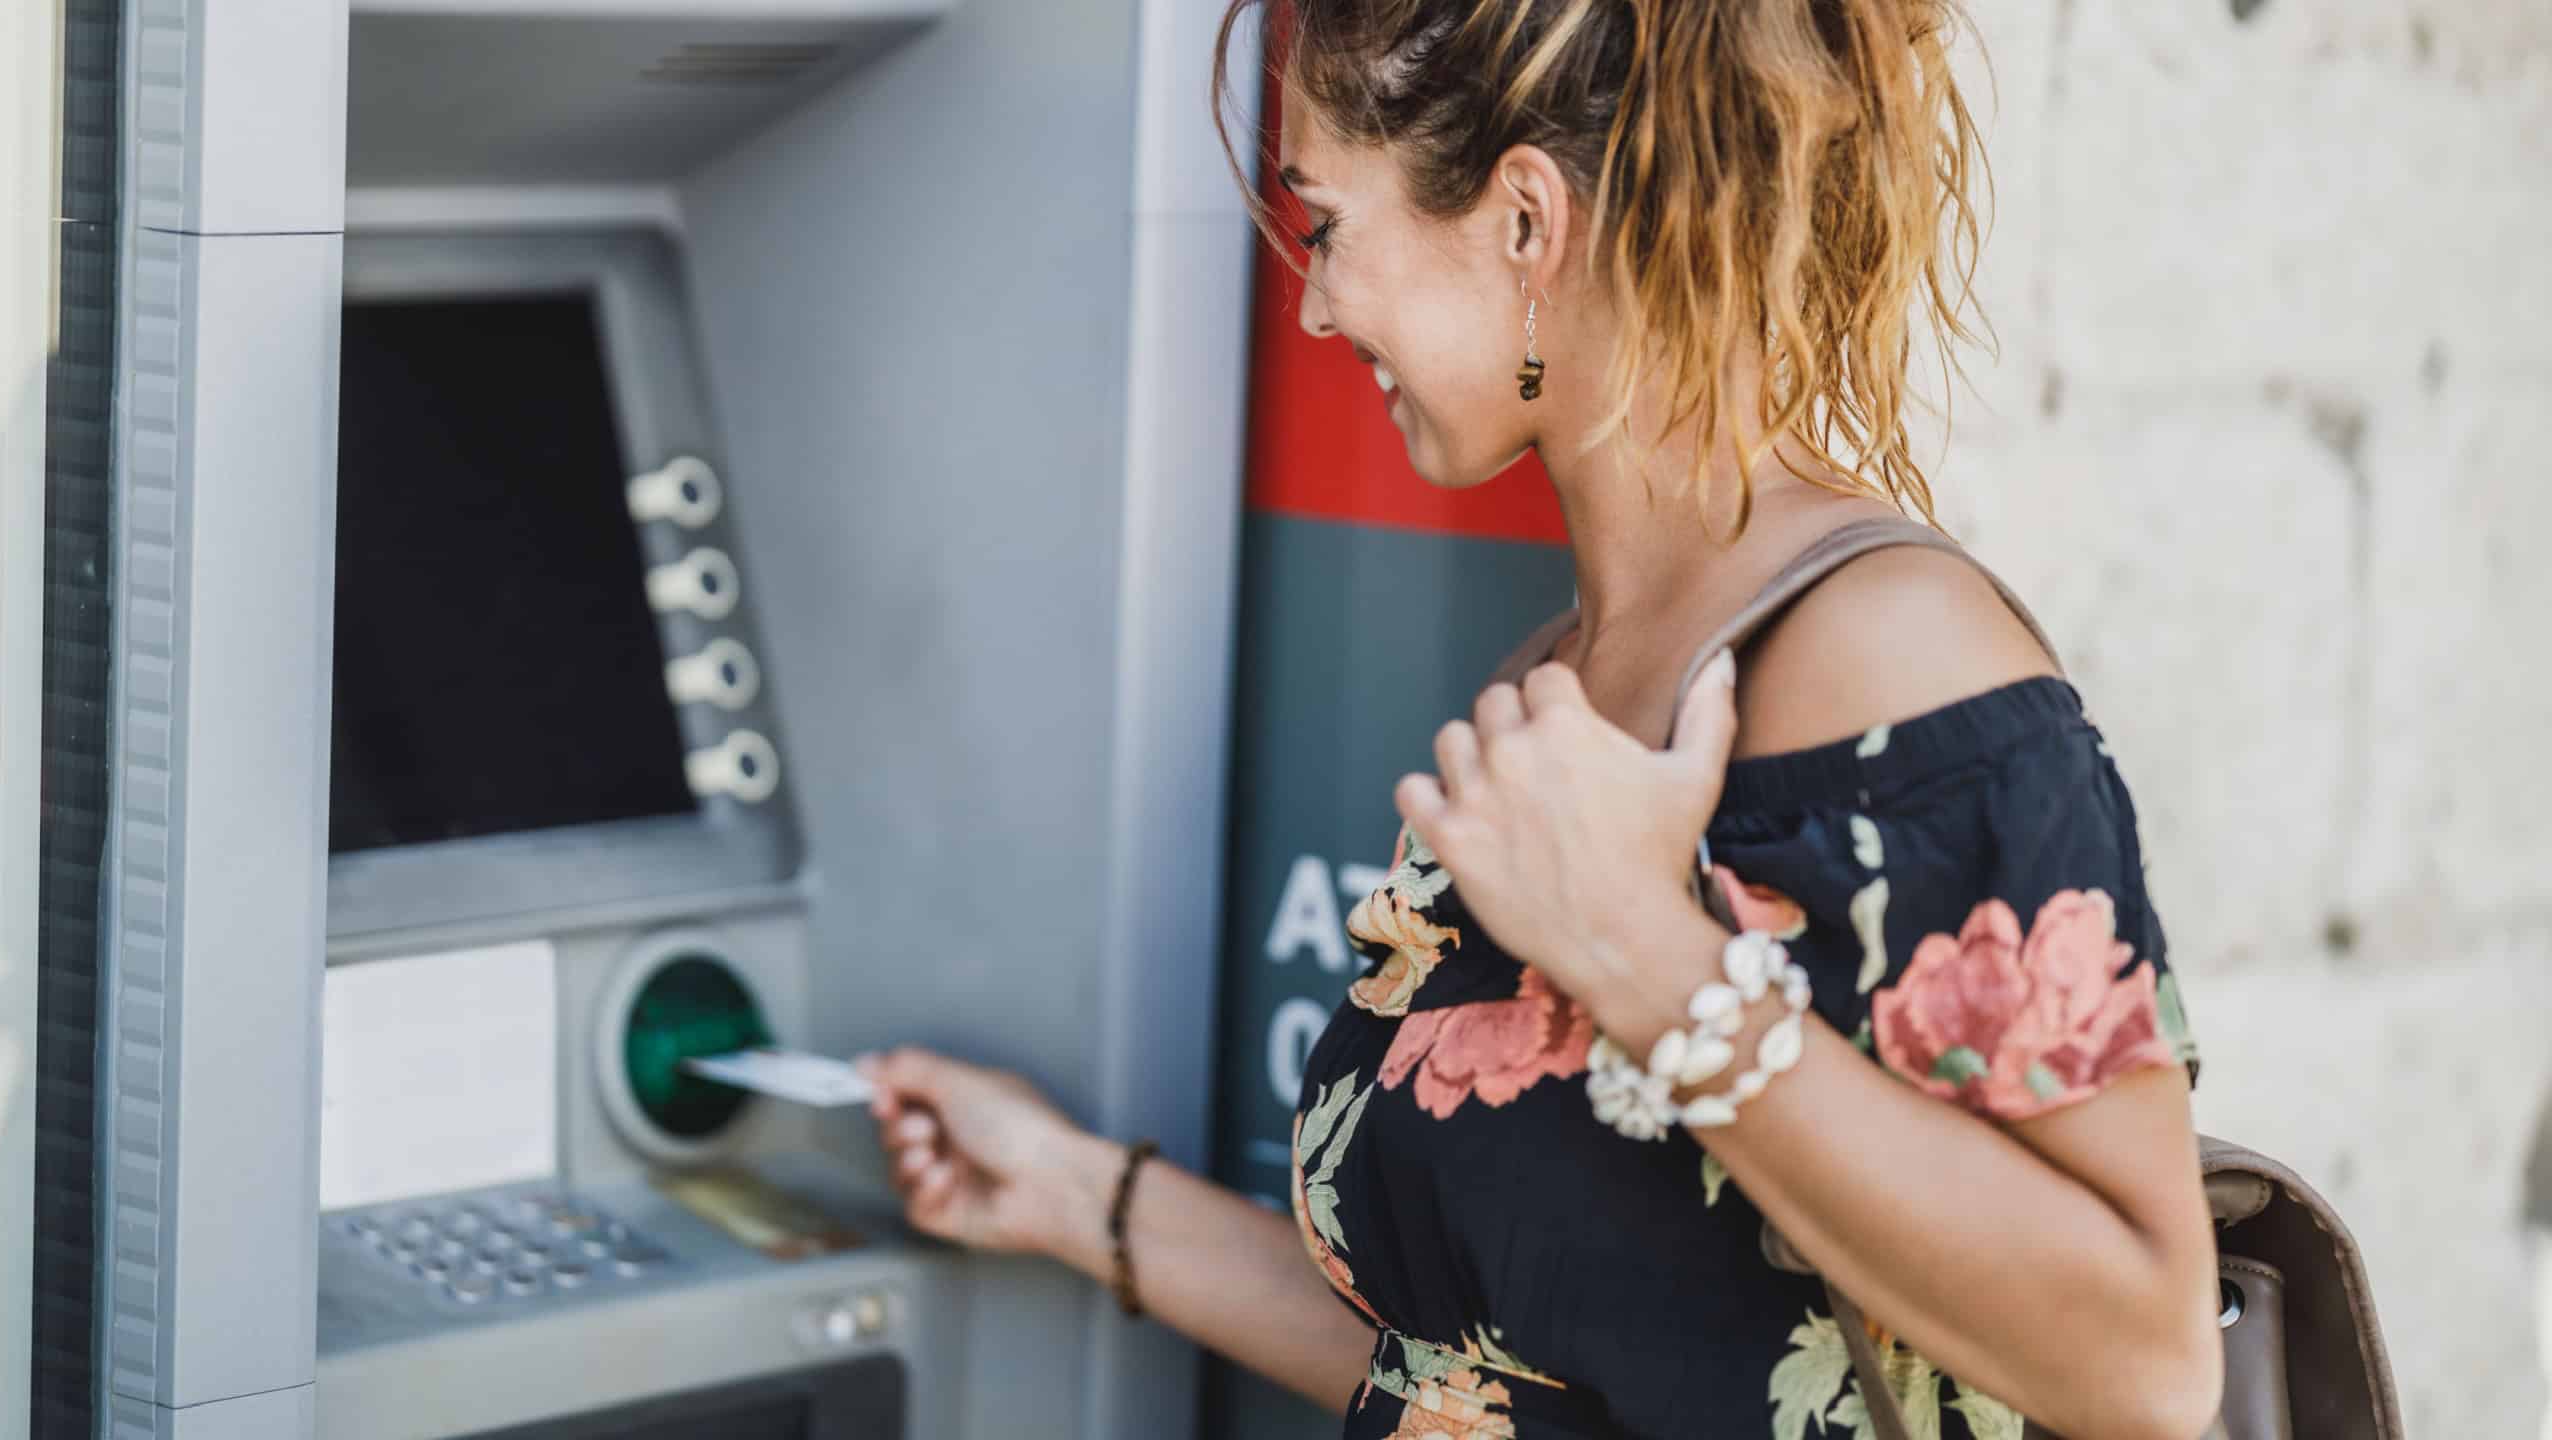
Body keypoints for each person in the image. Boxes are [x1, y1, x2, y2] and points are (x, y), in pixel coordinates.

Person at [858, 2, 2223, 1435]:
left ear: (1524, 221)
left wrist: (1643, 955)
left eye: (1326, 225)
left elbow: (2146, 1361)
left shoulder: (1885, 657)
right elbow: (1492, 1379)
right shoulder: (1550, 681)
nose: (1315, 306)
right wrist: (1076, 1196)